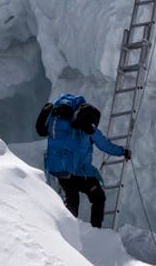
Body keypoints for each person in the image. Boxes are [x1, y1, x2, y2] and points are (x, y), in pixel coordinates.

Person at [34, 92, 125, 228]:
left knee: (72, 204)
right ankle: (96, 231)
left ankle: (66, 234)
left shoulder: (56, 120)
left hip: (61, 171)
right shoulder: (86, 125)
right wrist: (123, 152)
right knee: (98, 197)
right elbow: (104, 145)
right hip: (80, 173)